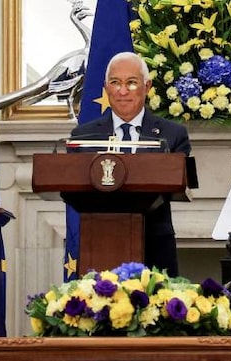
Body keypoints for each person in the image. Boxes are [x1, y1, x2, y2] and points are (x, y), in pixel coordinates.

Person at [69, 51, 190, 277]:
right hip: (99, 245)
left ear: (148, 86)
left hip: (155, 247)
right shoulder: (82, 136)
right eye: (115, 83)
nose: (123, 91)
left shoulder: (173, 135)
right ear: (106, 88)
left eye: (132, 83)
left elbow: (176, 183)